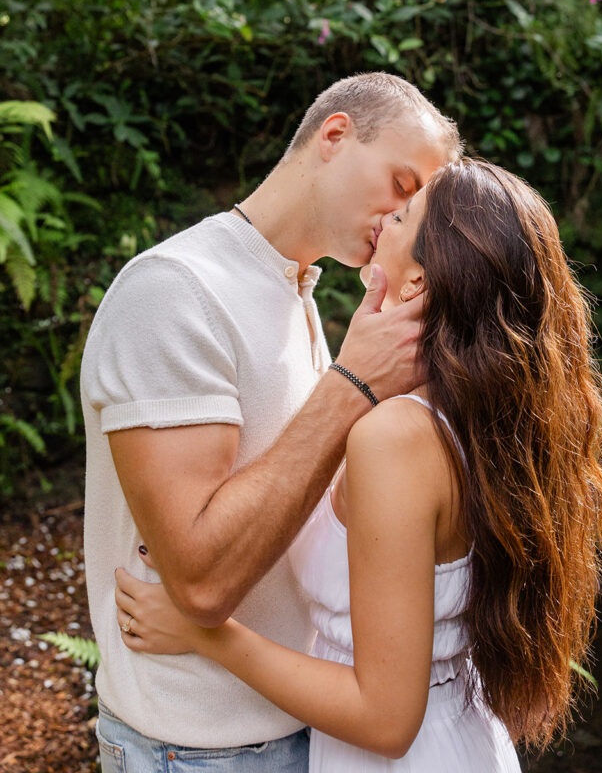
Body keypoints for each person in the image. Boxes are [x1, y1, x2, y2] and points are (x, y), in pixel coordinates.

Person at [115, 158, 602, 771]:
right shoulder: (479, 418)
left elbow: (384, 720)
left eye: (404, 215)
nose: (384, 217)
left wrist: (206, 634)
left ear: (418, 287)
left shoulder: (396, 437)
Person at [81, 72, 460, 770]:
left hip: (302, 726)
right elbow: (200, 582)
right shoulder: (175, 291)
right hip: (197, 748)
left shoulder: (295, 294)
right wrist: (351, 387)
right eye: (403, 185)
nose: (402, 218)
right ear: (336, 135)